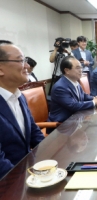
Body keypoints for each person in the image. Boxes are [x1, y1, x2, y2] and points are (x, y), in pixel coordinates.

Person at [0, 40, 44, 179]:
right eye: (20, 61)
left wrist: (51, 155)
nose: (27, 66)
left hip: (27, 171)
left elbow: (34, 133)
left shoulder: (19, 96)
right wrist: (26, 182)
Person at [48, 56, 97, 123]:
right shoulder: (60, 87)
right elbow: (73, 105)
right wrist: (94, 102)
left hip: (75, 120)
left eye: (81, 67)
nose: (81, 70)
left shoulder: (75, 82)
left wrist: (95, 98)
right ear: (67, 70)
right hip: (61, 125)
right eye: (77, 68)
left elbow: (84, 96)